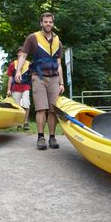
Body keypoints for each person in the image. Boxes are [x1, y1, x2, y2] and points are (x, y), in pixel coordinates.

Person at [15, 12, 64, 150]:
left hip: (54, 77)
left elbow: (59, 64)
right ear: (41, 23)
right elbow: (23, 55)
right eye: (45, 22)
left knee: (53, 110)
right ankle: (41, 137)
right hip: (38, 76)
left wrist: (61, 83)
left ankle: (52, 137)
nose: (48, 24)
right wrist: (19, 70)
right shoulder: (32, 38)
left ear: (53, 23)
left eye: (50, 22)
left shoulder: (57, 41)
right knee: (41, 108)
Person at [6, 47, 31, 131]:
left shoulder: (29, 64)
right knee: (17, 106)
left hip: (26, 87)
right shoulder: (13, 64)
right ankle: (18, 123)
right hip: (15, 87)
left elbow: (33, 77)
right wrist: (8, 89)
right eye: (20, 52)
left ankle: (26, 122)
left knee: (25, 103)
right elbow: (10, 78)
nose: (21, 54)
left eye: (23, 52)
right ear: (17, 54)